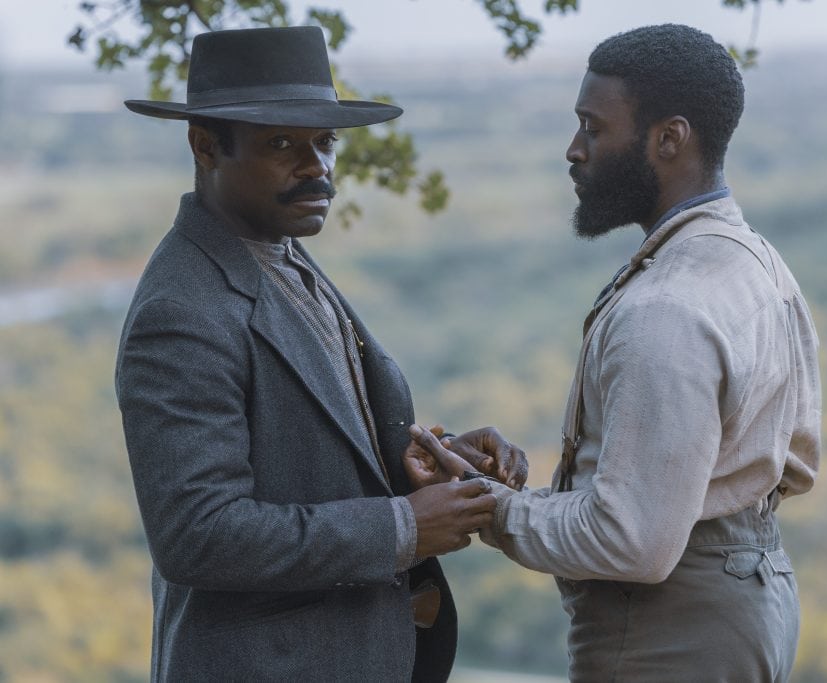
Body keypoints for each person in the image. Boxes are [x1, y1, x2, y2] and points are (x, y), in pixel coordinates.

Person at [408, 24, 821, 682]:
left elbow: (634, 540)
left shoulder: (666, 308)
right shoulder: (756, 264)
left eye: (592, 128)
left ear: (669, 138)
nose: (573, 150)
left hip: (669, 631)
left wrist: (486, 503)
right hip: (746, 593)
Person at [115, 26, 525, 682]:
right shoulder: (182, 311)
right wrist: (401, 527)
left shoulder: (277, 248)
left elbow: (315, 436)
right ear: (204, 145)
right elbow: (198, 535)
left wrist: (425, 461)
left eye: (324, 141)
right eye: (282, 142)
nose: (318, 168)